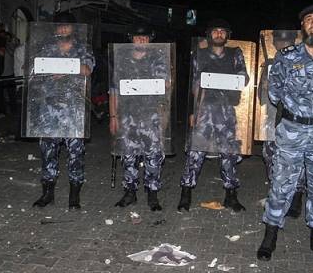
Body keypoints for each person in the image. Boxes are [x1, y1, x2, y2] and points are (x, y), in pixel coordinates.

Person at [256, 4, 313, 262]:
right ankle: (270, 234)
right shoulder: (286, 56)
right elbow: (274, 93)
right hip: (292, 131)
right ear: (303, 27)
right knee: (281, 184)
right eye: (309, 19)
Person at [178, 18, 250, 213]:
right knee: (195, 152)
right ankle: (186, 193)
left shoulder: (235, 54)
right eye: (215, 31)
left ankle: (231, 196)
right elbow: (195, 85)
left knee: (229, 153)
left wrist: (217, 81)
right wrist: (193, 111)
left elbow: (243, 78)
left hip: (226, 110)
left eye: (222, 31)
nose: (219, 34)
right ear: (209, 35)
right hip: (204, 110)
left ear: (227, 36)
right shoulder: (199, 55)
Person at [31, 12, 95, 209]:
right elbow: (35, 71)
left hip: (74, 110)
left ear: (73, 29)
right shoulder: (46, 48)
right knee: (48, 153)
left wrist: (65, 68)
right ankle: (47, 194)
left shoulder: (82, 48)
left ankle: (74, 197)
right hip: (49, 110)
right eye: (60, 26)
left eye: (67, 26)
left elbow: (87, 69)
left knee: (76, 154)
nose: (63, 29)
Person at [110, 26, 172, 211]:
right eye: (138, 37)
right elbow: (114, 91)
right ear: (131, 39)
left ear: (150, 39)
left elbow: (166, 87)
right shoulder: (121, 61)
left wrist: (164, 117)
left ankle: (152, 193)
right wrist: (113, 116)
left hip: (151, 115)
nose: (141, 40)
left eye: (145, 37)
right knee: (128, 156)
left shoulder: (158, 59)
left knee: (153, 155)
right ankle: (130, 193)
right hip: (128, 115)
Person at [258, 29, 306, 218]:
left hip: (295, 120)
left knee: (297, 160)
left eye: (287, 41)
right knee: (269, 155)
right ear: (275, 43)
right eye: (279, 41)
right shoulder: (270, 63)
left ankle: (296, 197)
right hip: (273, 118)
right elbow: (261, 95)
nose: (283, 45)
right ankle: (276, 193)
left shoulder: (303, 62)